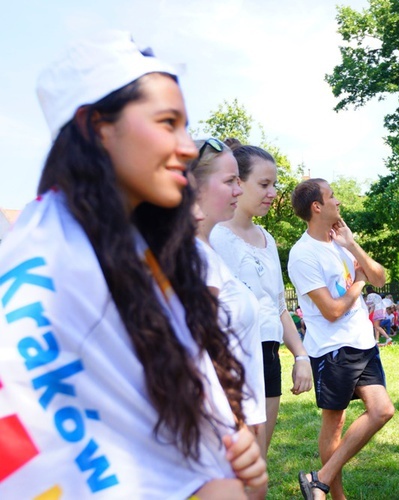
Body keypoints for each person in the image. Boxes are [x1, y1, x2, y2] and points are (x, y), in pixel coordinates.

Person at [0, 31, 265, 498]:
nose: (187, 148)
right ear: (97, 127)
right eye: (168, 122)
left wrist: (233, 465)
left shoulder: (141, 255)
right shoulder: (54, 272)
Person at [288, 178, 395, 500]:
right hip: (333, 350)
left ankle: (319, 479)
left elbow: (379, 276)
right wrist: (359, 284)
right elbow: (333, 310)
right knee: (334, 424)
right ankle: (335, 495)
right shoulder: (303, 255)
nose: (339, 202)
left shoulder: (341, 242)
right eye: (332, 197)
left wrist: (351, 246)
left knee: (382, 410)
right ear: (316, 207)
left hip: (364, 343)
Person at [209, 140, 313, 469]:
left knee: (257, 463)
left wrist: (300, 355)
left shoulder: (268, 241)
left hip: (267, 356)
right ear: (237, 183)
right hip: (231, 359)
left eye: (274, 185)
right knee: (230, 465)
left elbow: (278, 306)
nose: (272, 193)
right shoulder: (212, 237)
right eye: (264, 184)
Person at [188, 138, 270, 498]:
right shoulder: (195, 258)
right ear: (193, 186)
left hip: (240, 418)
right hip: (224, 427)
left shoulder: (208, 252)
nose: (240, 190)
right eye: (230, 181)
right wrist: (235, 425)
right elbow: (198, 350)